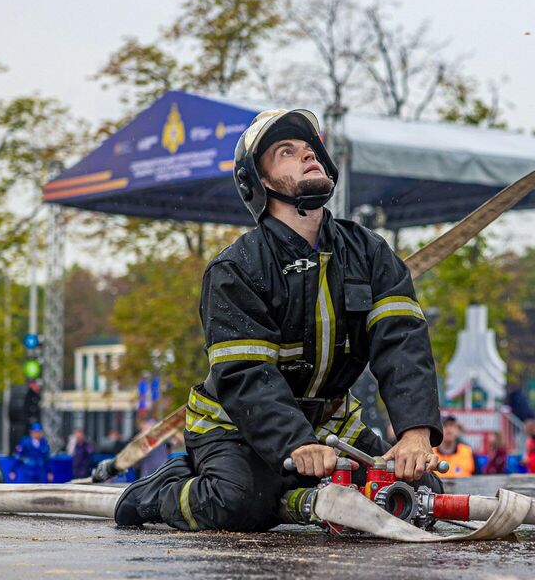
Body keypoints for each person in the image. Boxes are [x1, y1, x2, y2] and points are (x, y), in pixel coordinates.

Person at [115, 109, 444, 531]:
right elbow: (247, 374)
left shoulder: (370, 252)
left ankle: (289, 491)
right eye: (286, 152)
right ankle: (161, 489)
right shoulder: (237, 269)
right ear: (261, 181)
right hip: (238, 426)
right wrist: (297, 443)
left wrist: (415, 433)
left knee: (422, 496)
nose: (308, 156)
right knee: (239, 505)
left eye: (310, 151)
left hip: (329, 427)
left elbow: (402, 343)